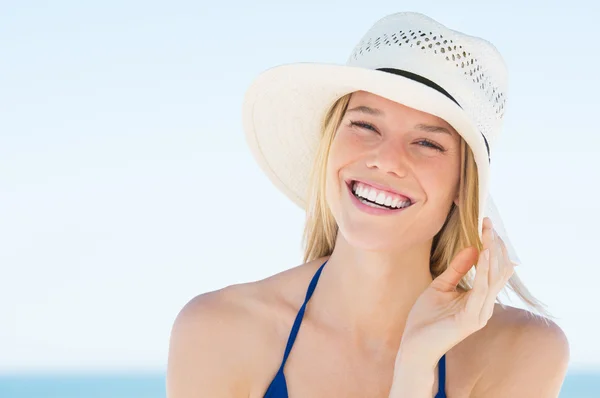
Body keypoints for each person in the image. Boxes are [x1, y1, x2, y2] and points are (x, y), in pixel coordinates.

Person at [166, 11, 569, 397]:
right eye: (364, 125)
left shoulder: (522, 349)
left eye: (427, 142)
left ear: (464, 186)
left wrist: (416, 366)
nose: (387, 160)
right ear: (330, 144)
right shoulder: (217, 331)